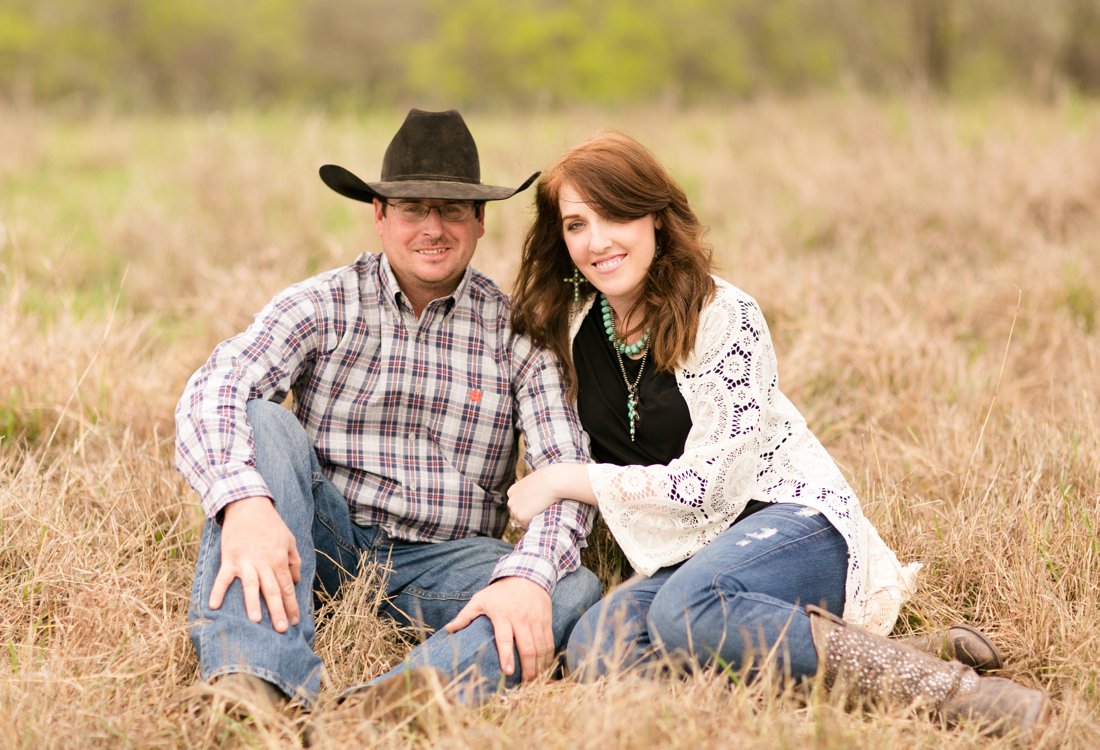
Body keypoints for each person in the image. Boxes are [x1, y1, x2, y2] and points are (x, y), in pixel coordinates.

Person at [506, 132, 1050, 735]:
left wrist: (568, 479)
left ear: (656, 217)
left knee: (688, 610)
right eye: (577, 224)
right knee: (597, 650)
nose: (598, 241)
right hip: (686, 551)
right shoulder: (575, 329)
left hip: (788, 520)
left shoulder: (723, 317)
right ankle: (896, 657)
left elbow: (709, 489)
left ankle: (954, 695)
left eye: (616, 215)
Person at [175, 109, 601, 712]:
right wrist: (244, 504)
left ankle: (388, 708)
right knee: (263, 420)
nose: (433, 227)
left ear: (480, 220)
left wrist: (526, 578)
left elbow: (563, 472)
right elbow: (214, 386)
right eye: (411, 208)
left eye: (452, 209)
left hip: (443, 563)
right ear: (379, 215)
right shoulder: (322, 303)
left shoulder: (519, 337)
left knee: (568, 590)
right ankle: (255, 686)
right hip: (321, 538)